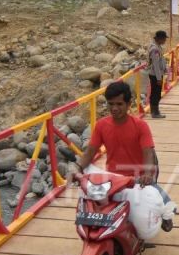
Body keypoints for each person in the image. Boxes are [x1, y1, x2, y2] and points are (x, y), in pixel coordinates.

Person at [71, 81, 173, 230]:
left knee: (155, 196)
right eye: (111, 104)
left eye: (119, 104)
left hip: (138, 178)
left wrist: (147, 174)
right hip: (114, 178)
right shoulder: (101, 125)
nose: (114, 108)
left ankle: (166, 213)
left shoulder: (140, 126)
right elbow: (90, 152)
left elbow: (148, 152)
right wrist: (78, 167)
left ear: (128, 104)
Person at [147, 30, 168, 119]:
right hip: (155, 75)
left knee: (156, 93)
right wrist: (159, 78)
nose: (165, 41)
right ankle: (154, 112)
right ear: (159, 39)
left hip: (157, 74)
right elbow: (155, 65)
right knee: (156, 94)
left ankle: (155, 111)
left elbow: (160, 60)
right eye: (164, 39)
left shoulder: (158, 47)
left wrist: (165, 68)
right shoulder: (155, 49)